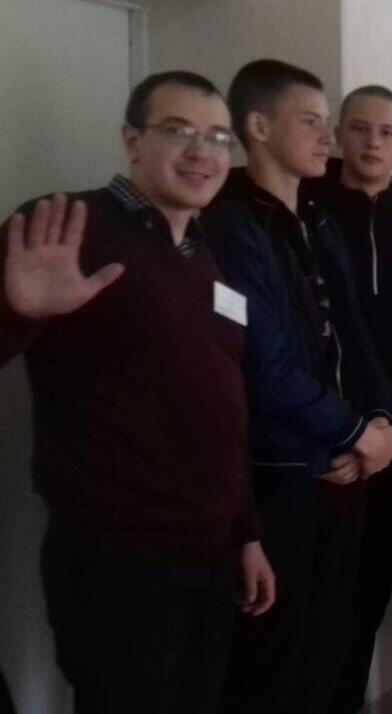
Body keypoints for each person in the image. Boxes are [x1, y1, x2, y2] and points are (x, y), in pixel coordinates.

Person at [0, 70, 274, 714]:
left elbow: (223, 404)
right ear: (131, 140)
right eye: (179, 131)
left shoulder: (203, 254)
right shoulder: (68, 226)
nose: (203, 152)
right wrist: (18, 312)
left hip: (210, 553)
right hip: (120, 560)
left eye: (218, 137)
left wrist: (245, 532)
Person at [205, 59, 392, 714]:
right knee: (272, 661)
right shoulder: (232, 225)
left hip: (344, 468)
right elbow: (265, 363)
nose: (329, 137)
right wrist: (354, 432)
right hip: (282, 472)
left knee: (329, 642)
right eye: (311, 122)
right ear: (259, 127)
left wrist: (379, 422)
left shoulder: (317, 221)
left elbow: (358, 336)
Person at [304, 84, 392, 713]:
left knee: (366, 602)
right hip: (314, 450)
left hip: (389, 455)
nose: (372, 142)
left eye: (387, 133)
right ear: (337, 135)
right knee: (302, 607)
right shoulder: (304, 215)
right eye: (359, 128)